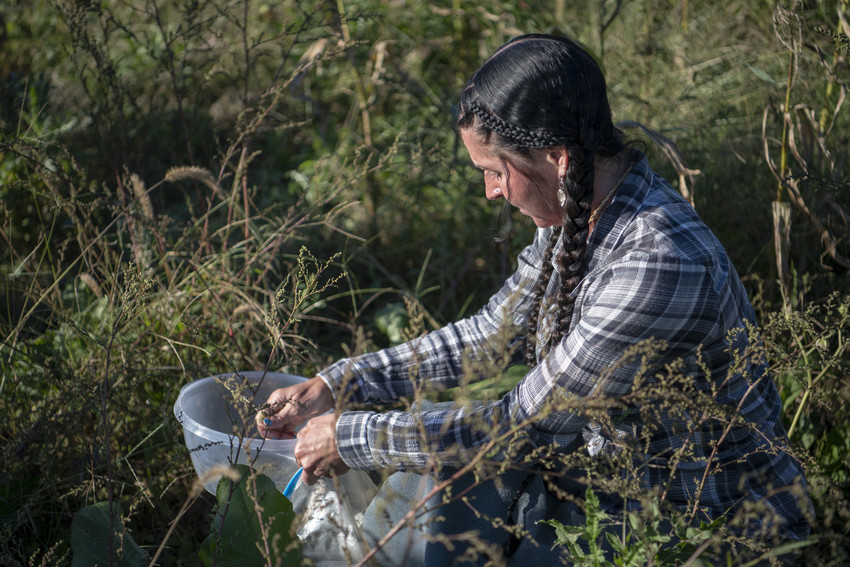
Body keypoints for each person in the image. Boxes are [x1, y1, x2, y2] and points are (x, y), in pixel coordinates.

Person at [257, 34, 812, 565]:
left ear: (557, 157)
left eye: (495, 172)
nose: (491, 191)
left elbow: (518, 429)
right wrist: (339, 383)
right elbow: (491, 336)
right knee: (426, 476)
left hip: (705, 527)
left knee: (444, 472)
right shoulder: (579, 211)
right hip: (611, 482)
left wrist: (352, 436)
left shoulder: (658, 264)